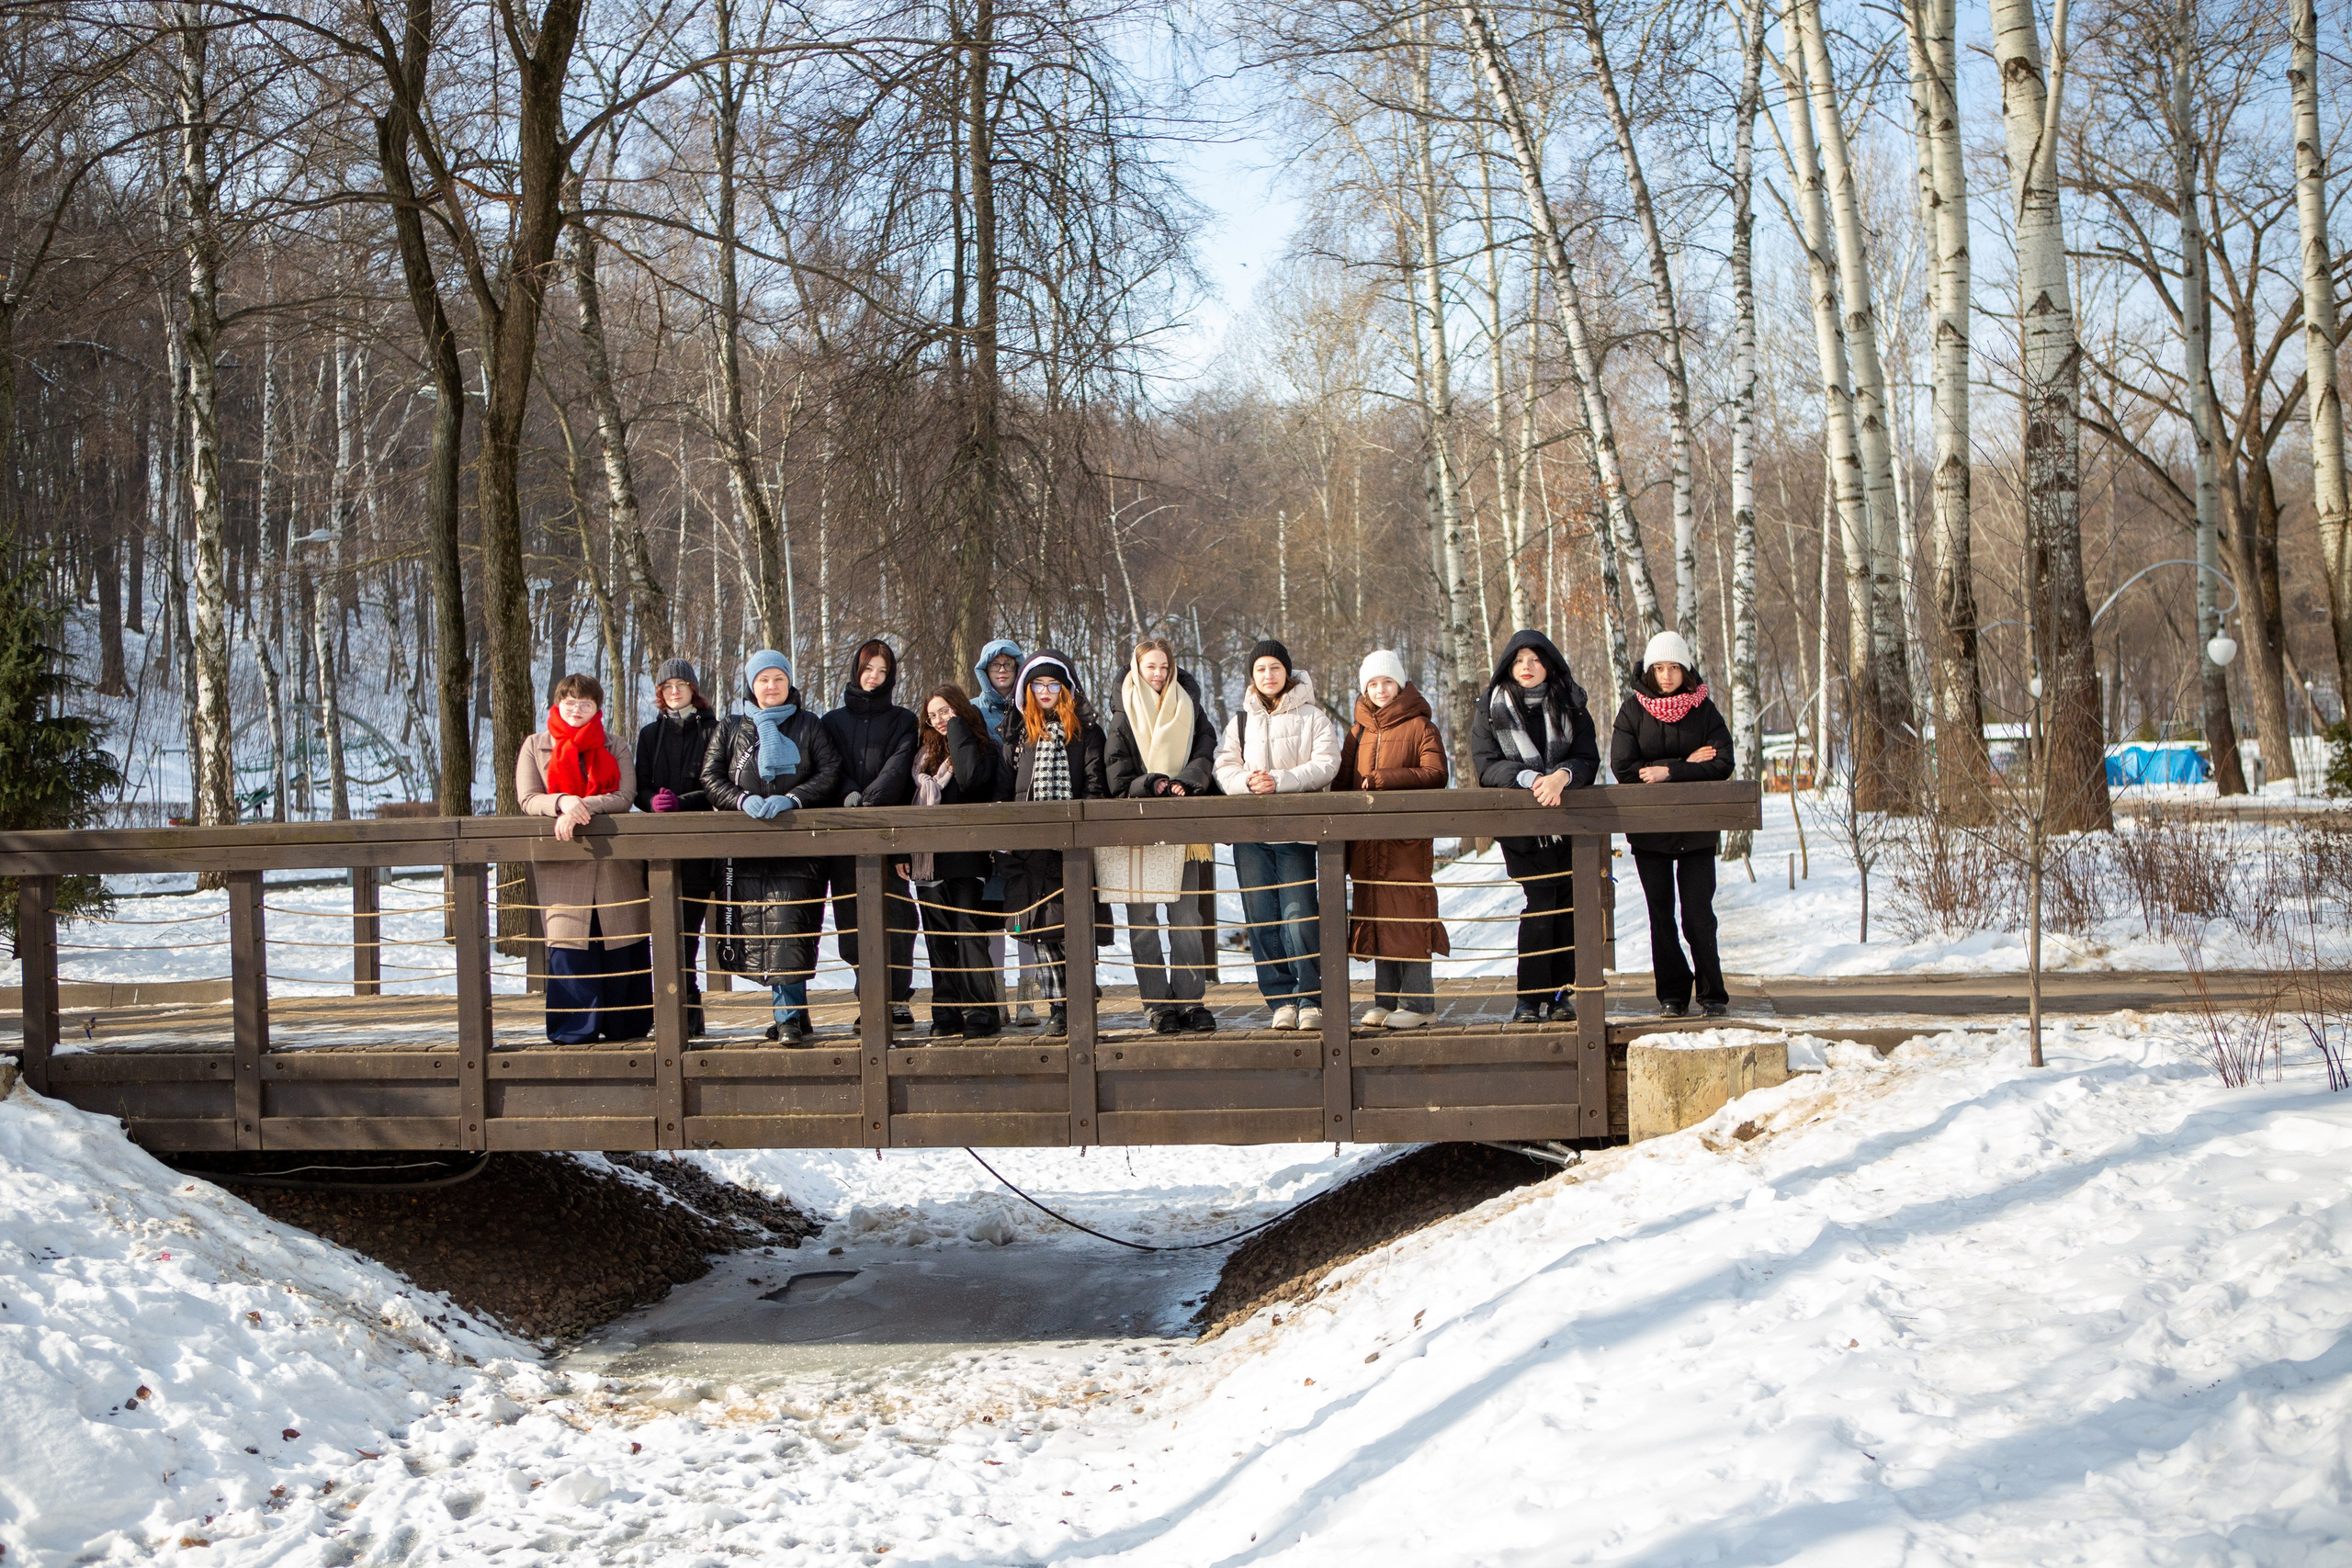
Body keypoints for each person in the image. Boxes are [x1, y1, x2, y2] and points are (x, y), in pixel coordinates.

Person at [701, 649, 844, 1042]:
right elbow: (710, 776)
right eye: (763, 680)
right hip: (747, 851)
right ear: (752, 685)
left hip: (798, 849)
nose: (771, 686)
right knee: (760, 934)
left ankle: (789, 1018)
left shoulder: (809, 725)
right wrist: (741, 799)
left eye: (778, 679)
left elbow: (830, 770)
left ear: (788, 683)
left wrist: (794, 799)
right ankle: (793, 1012)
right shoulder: (732, 728)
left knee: (789, 929)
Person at [1470, 629, 1600, 1024]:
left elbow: (1587, 758)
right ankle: (1529, 999)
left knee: (1569, 908)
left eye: (1535, 660)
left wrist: (1562, 776)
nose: (1527, 667)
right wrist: (1527, 778)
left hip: (1569, 822)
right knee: (1541, 904)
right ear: (1509, 665)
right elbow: (1486, 765)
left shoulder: (1571, 704)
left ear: (1549, 665)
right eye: (1519, 660)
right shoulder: (1491, 708)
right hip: (1523, 828)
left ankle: (1561, 996)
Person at [1213, 638, 1342, 1031]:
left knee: (1299, 916)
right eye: (1260, 670)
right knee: (1261, 918)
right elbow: (1223, 766)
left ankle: (1311, 999)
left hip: (1297, 834)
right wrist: (1247, 784)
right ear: (1252, 677)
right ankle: (1280, 1001)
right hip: (1251, 835)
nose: (1268, 676)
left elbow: (1327, 763)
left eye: (1274, 668)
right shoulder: (1240, 721)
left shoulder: (1313, 717)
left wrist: (1280, 781)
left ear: (1287, 672)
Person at [517, 673, 651, 1043]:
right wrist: (561, 801)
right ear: (557, 704)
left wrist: (581, 806)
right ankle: (574, 1031)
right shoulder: (535, 745)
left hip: (613, 862)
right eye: (570, 702)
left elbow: (625, 795)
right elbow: (528, 798)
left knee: (622, 942)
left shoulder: (615, 744)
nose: (577, 709)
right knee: (571, 947)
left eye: (585, 703)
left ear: (597, 709)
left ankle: (626, 1026)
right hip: (563, 862)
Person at [1611, 630, 1736, 1019]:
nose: (1667, 675)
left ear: (1686, 669)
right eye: (1660, 668)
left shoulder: (1705, 710)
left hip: (1697, 830)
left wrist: (1670, 771)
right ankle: (1673, 995)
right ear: (1649, 671)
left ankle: (1712, 994)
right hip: (1649, 831)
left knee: (1699, 914)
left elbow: (1722, 762)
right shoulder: (1632, 711)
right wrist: (1688, 764)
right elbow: (1623, 768)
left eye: (1675, 667)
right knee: (1660, 915)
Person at [1104, 637, 1220, 1033]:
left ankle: (1191, 1001)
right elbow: (1116, 777)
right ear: (1137, 669)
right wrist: (1151, 783)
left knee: (1186, 917)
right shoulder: (1121, 715)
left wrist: (1187, 781)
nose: (1158, 674)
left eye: (1164, 667)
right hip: (1136, 832)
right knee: (1144, 922)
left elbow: (1206, 751)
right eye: (1150, 667)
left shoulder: (1190, 707)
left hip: (1181, 830)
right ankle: (1157, 1004)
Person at [994, 649, 1108, 1037]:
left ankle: (1079, 1003)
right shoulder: (1017, 735)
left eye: (1052, 684)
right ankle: (1059, 1008)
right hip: (1028, 854)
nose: (1045, 691)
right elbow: (1004, 791)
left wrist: (1082, 830)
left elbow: (1096, 786)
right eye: (1037, 685)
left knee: (1072, 930)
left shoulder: (1087, 733)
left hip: (1071, 849)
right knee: (1041, 936)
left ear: (1066, 688)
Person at [1337, 650, 1449, 1028]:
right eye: (1373, 684)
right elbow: (1341, 783)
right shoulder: (1359, 731)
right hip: (1367, 844)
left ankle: (1420, 1004)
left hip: (1406, 845)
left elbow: (1435, 773)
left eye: (1387, 682)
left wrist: (1387, 779)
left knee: (1409, 919)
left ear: (1400, 684)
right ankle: (1386, 1001)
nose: (1381, 689)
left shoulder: (1421, 727)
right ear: (1364, 689)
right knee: (1380, 919)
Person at [895, 685, 1007, 1039]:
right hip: (927, 861)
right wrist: (902, 852)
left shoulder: (986, 748)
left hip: (967, 859)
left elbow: (972, 780)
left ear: (959, 710)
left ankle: (980, 1011)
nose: (939, 720)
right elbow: (904, 803)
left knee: (969, 933)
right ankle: (946, 1011)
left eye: (945, 711)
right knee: (937, 938)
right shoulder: (921, 756)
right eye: (933, 715)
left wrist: (958, 728)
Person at [822, 639, 920, 1029]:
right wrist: (849, 795)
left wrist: (871, 801)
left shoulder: (903, 720)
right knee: (853, 920)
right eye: (868, 670)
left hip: (890, 834)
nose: (874, 678)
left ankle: (897, 997)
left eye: (882, 671)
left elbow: (899, 768)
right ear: (856, 671)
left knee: (897, 916)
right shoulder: (832, 722)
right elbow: (829, 765)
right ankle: (870, 999)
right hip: (844, 835)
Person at [635, 657, 719, 1035]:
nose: (674, 693)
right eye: (667, 687)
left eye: (680, 687)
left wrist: (683, 802)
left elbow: (718, 782)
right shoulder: (650, 735)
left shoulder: (713, 731)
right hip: (658, 848)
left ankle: (687, 1011)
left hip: (699, 846)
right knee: (664, 932)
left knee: (688, 931)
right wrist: (652, 800)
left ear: (693, 690)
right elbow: (639, 784)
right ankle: (676, 1011)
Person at [970, 637, 1041, 1023]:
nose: (1002, 672)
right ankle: (997, 998)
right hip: (987, 828)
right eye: (995, 665)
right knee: (994, 918)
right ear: (985, 671)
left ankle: (1027, 998)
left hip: (1023, 826)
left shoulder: (1030, 707)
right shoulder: (973, 711)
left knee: (1024, 916)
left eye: (1009, 666)